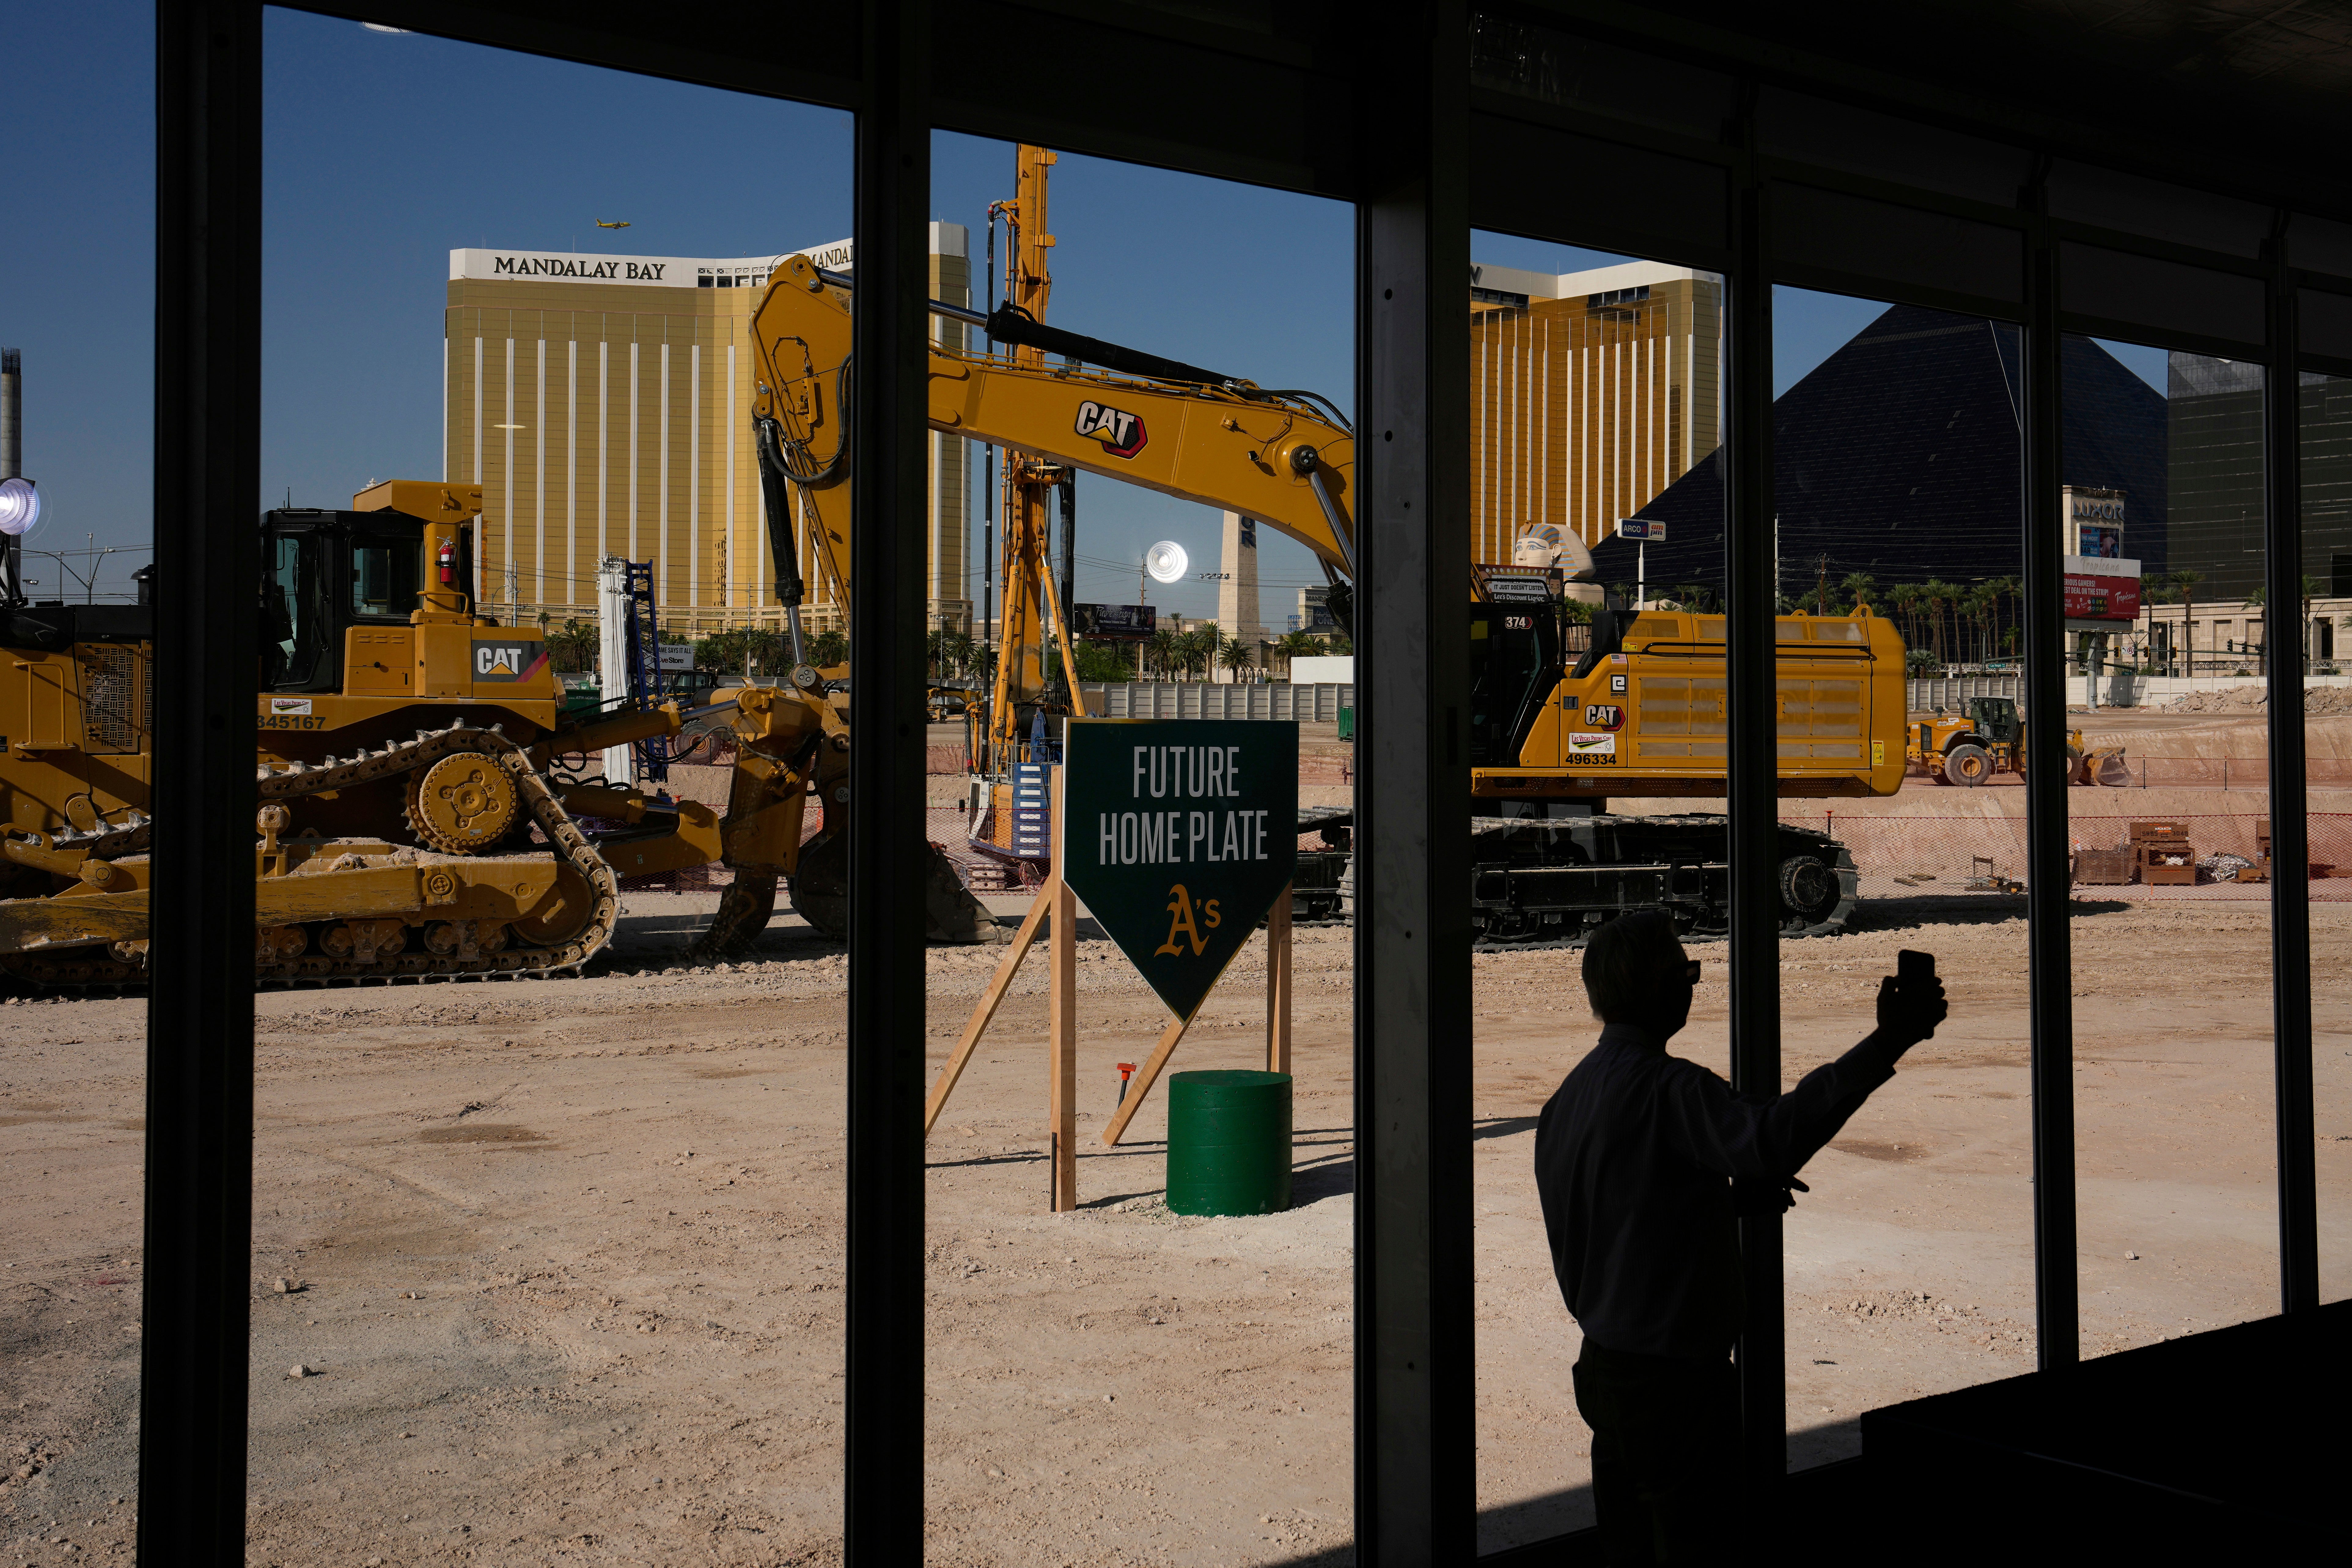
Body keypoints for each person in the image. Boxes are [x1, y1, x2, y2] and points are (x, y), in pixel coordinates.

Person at [1533, 911, 1948, 1564]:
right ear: (1657, 987)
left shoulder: (1566, 1102)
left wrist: (1716, 1206)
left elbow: (1624, 1220)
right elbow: (1774, 1140)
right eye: (1686, 971)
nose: (1692, 985)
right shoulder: (1671, 1090)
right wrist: (1887, 1041)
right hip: (1676, 1390)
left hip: (1609, 1374)